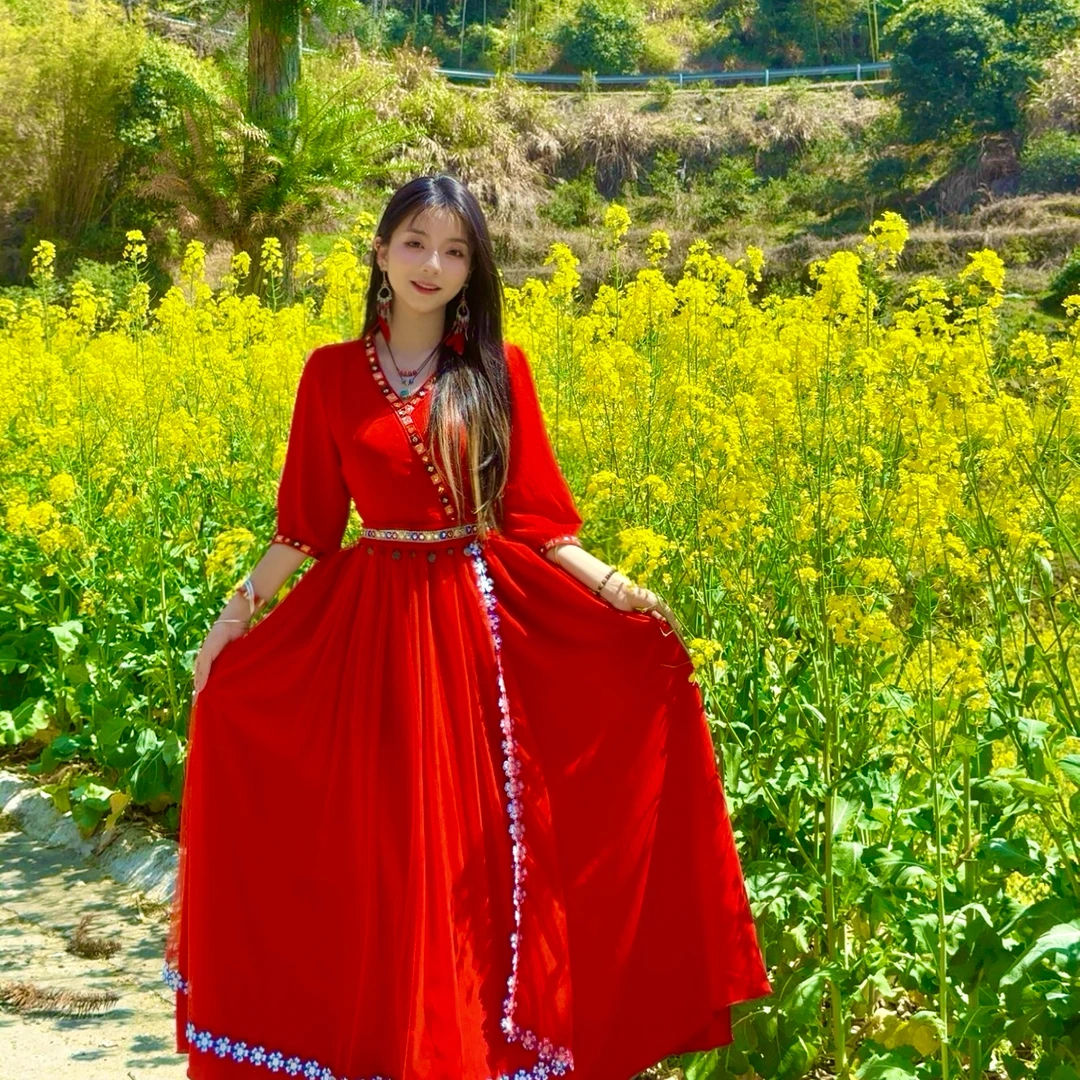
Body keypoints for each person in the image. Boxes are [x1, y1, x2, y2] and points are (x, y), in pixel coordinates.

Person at [163, 173, 770, 1080]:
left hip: (472, 630)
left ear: (473, 267)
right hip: (367, 638)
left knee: (469, 864)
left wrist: (614, 587)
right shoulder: (330, 373)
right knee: (382, 856)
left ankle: (465, 1053)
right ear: (379, 251)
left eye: (454, 251)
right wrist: (231, 624)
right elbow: (306, 530)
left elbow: (534, 518)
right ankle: (379, 1048)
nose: (432, 265)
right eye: (414, 243)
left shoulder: (496, 369)